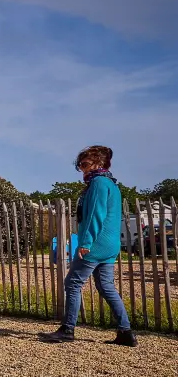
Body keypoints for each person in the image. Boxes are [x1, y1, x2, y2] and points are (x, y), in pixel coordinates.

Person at [40, 146, 136, 346]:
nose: (82, 169)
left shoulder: (98, 183)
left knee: (72, 283)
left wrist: (85, 243)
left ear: (99, 163)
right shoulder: (111, 184)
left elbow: (94, 215)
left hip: (95, 244)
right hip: (110, 244)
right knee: (106, 286)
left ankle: (67, 330)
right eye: (80, 165)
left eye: (85, 164)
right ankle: (125, 332)